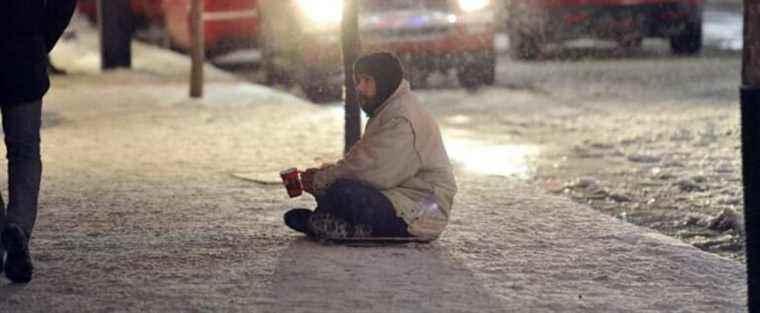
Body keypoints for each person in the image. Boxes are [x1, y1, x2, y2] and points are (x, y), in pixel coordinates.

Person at [284, 52, 457, 241]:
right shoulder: (390, 108)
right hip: (401, 198)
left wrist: (322, 180)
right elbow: (365, 160)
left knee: (343, 192)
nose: (359, 87)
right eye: (358, 80)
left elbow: (372, 173)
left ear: (384, 82)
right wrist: (323, 175)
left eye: (367, 80)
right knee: (337, 188)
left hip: (419, 214)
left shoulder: (402, 118)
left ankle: (345, 227)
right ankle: (343, 225)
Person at [0, 0, 78, 283]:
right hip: (24, 55)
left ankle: (2, 237)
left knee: (24, 151)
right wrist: (39, 39)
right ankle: (17, 227)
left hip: (26, 47)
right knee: (25, 152)